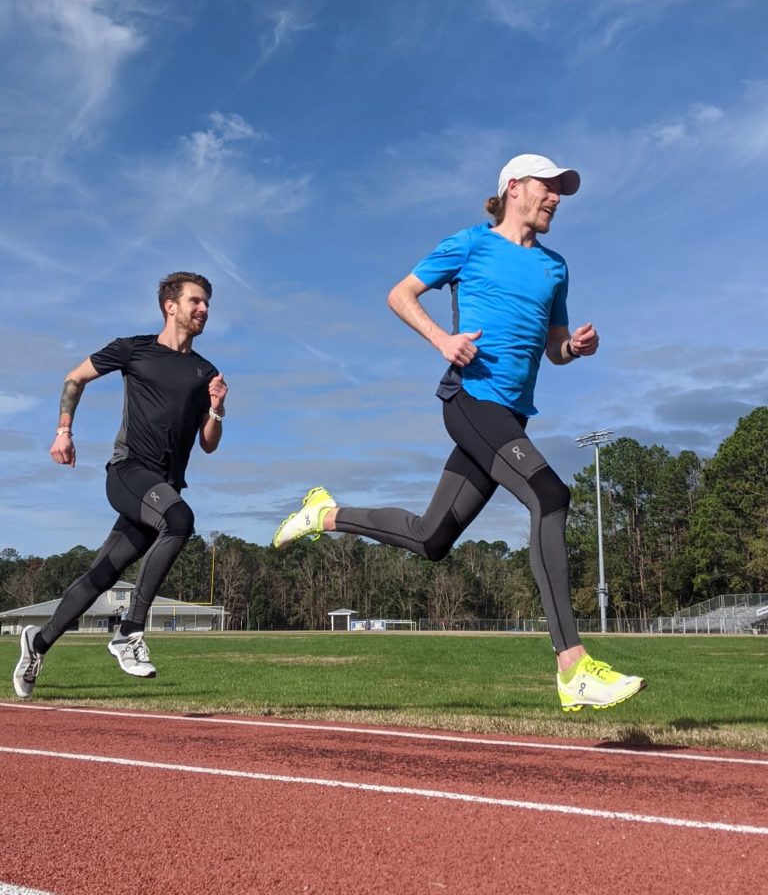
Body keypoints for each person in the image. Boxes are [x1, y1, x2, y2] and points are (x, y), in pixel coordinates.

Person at [274, 154, 646, 712]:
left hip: (511, 417)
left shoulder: (555, 268)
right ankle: (573, 667)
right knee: (551, 494)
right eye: (549, 187)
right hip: (471, 402)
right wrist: (442, 342)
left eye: (561, 192)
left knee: (431, 539)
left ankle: (324, 514)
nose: (557, 198)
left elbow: (555, 348)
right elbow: (400, 294)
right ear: (515, 187)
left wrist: (575, 348)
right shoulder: (471, 244)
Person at [13, 271, 227, 698]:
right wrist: (63, 431)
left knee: (102, 576)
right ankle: (128, 632)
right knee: (180, 520)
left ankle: (36, 644)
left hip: (164, 488)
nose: (204, 309)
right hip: (128, 473)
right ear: (170, 305)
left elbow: (208, 445)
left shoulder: (206, 371)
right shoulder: (134, 350)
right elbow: (75, 378)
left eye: (207, 303)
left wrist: (217, 409)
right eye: (196, 301)